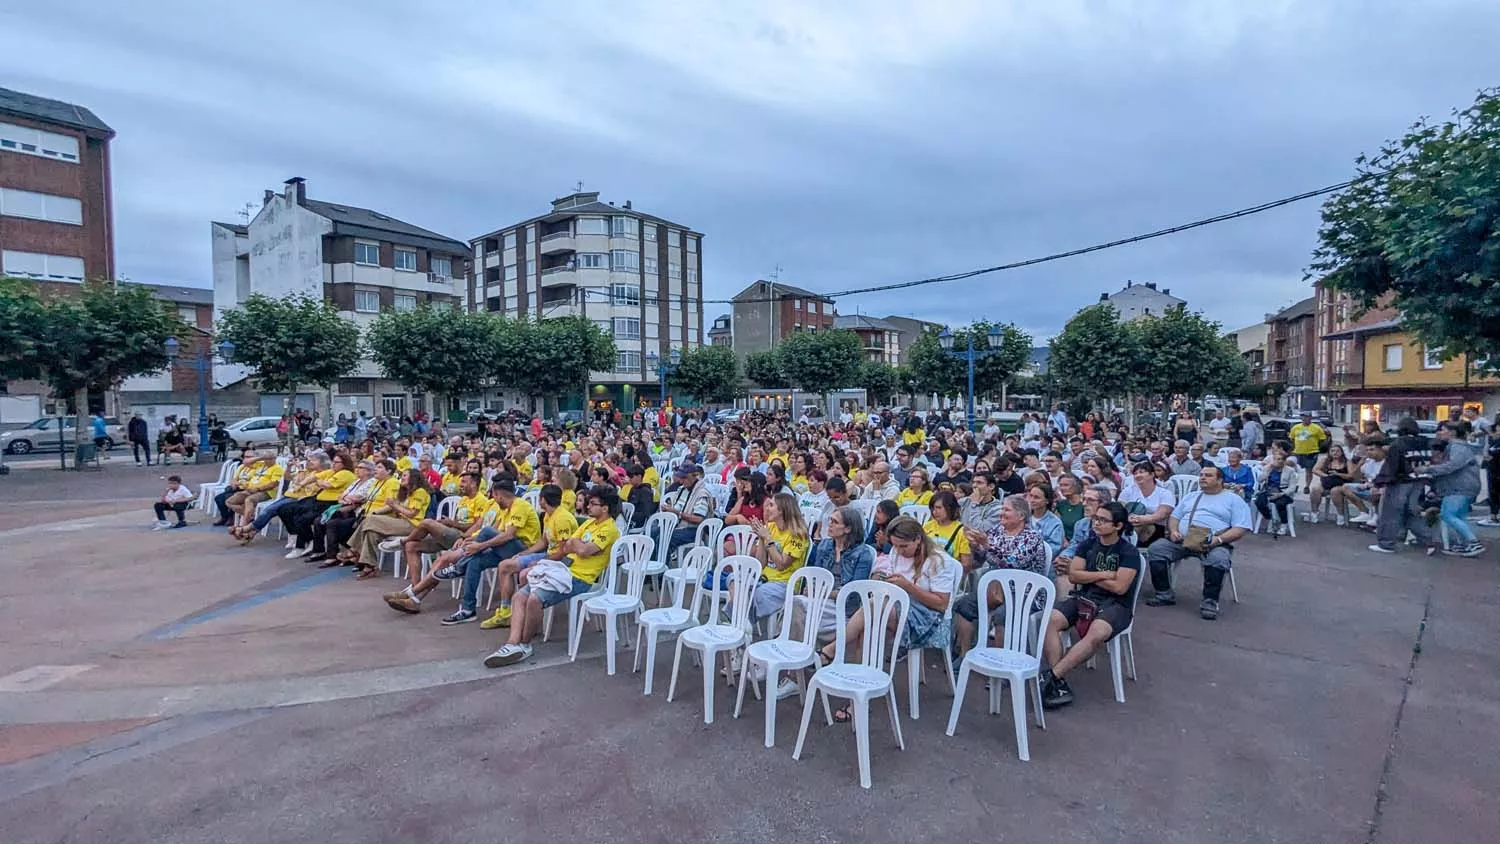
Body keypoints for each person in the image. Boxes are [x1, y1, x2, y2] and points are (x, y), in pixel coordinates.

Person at [817, 515, 955, 723]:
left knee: (874, 608)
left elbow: (941, 604)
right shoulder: (897, 554)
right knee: (869, 625)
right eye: (895, 546)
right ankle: (859, 695)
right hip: (896, 608)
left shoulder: (939, 562)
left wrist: (909, 587)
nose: (899, 551)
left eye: (904, 546)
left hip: (927, 617)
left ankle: (834, 651)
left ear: (918, 539)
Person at [483, 486, 621, 668]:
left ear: (605, 508)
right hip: (562, 569)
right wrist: (577, 546)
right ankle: (511, 644)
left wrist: (577, 545)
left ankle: (524, 644)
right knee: (518, 596)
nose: (588, 506)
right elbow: (566, 547)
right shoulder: (588, 524)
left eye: (593, 504)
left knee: (534, 599)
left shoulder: (609, 529)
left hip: (581, 578)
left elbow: (583, 550)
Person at [384, 477, 537, 622]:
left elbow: (507, 536)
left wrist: (480, 545)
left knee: (436, 530)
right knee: (474, 562)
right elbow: (493, 530)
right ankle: (467, 609)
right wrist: (468, 539)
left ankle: (428, 583)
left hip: (521, 550)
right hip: (492, 545)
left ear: (497, 493)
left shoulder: (519, 506)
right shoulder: (503, 509)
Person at [1039, 501, 1142, 709]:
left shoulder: (1129, 552)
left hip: (1116, 605)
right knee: (1050, 620)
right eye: (1096, 519)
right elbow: (1074, 575)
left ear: (1118, 526)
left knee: (1097, 632)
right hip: (1084, 598)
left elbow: (1120, 588)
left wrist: (1088, 576)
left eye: (1103, 520)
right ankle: (1057, 680)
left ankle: (1053, 676)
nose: (1096, 523)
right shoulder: (1087, 545)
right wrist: (1104, 574)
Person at [1145, 465, 1254, 620]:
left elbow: (1241, 528)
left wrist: (1219, 539)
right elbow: (1175, 516)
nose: (1202, 478)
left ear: (1220, 480)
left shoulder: (1233, 499)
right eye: (1202, 475)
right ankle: (1164, 594)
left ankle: (1209, 602)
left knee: (1218, 559)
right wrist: (1174, 530)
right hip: (1183, 539)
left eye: (1208, 475)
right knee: (1157, 549)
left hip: (1214, 542)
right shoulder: (1192, 496)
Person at [952, 494, 1047, 658]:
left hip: (1025, 592)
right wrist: (975, 546)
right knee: (963, 606)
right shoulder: (997, 531)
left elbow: (1013, 562)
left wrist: (987, 544)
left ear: (1021, 516)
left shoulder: (1031, 537)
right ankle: (965, 656)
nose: (1001, 513)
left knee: (1002, 615)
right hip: (996, 589)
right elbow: (983, 559)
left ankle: (1003, 663)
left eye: (1006, 510)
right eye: (1002, 508)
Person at [479, 484, 580, 629]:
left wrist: (540, 561)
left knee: (525, 574)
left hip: (561, 561)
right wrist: (525, 553)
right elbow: (544, 541)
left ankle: (529, 618)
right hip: (548, 555)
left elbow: (563, 551)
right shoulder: (548, 515)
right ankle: (506, 611)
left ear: (543, 500)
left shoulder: (562, 518)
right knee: (505, 566)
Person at [348, 468, 431, 578]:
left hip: (412, 525)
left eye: (405, 475)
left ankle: (353, 549)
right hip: (401, 522)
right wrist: (394, 506)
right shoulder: (407, 493)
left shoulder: (420, 492)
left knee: (371, 519)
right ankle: (370, 567)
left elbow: (412, 514)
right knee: (371, 532)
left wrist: (394, 505)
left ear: (414, 478)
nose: (402, 478)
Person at [1369, 418, 1436, 555]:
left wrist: (1378, 482)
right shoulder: (1426, 442)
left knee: (1390, 513)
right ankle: (1428, 540)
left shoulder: (1398, 444)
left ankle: (1386, 544)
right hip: (1419, 481)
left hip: (1400, 481)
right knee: (1410, 512)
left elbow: (1391, 466)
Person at [742, 492, 810, 622]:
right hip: (764, 578)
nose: (767, 509)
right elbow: (760, 564)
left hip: (784, 583)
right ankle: (744, 621)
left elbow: (781, 565)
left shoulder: (798, 535)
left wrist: (767, 537)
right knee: (735, 579)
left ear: (782, 510)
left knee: (753, 593)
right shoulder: (771, 527)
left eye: (771, 505)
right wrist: (762, 537)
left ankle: (741, 620)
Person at [1426, 422, 1485, 557]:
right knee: (1458, 516)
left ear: (1452, 432)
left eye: (1443, 430)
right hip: (1461, 487)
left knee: (1448, 515)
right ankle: (1463, 543)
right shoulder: (1457, 447)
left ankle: (1473, 542)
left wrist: (1429, 469)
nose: (1440, 432)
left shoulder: (1458, 447)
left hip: (1459, 487)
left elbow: (1451, 466)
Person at [661, 462, 714, 560]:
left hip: (694, 530)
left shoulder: (702, 494)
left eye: (684, 478)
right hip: (679, 525)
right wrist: (668, 508)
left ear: (693, 477)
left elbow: (698, 519)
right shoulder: (682, 489)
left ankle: (661, 569)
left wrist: (677, 513)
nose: (681, 481)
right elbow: (676, 507)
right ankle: (654, 567)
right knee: (656, 531)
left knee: (665, 536)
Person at [1120, 462, 1175, 546]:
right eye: (1135, 473)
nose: (1137, 475)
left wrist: (1140, 519)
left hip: (1155, 526)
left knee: (1136, 528)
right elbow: (1119, 508)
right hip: (1129, 522)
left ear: (1152, 474)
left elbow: (1161, 515)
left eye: (1141, 472)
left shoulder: (1165, 493)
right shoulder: (1128, 490)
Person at [1337, 436, 1386, 526]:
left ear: (1380, 450)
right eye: (1367, 450)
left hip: (1381, 489)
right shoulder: (1368, 461)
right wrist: (1359, 465)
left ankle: (1376, 514)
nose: (1369, 452)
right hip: (1368, 486)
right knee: (1345, 487)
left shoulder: (1386, 462)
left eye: (1372, 450)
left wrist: (1372, 485)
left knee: (1375, 491)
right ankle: (1364, 512)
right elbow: (1355, 476)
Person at [923, 490, 972, 571]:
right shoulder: (927, 526)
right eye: (933, 508)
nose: (935, 512)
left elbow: (966, 564)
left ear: (950, 508)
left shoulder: (962, 531)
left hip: (949, 572)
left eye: (939, 508)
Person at [1307, 443, 1356, 524]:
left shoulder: (1347, 462)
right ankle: (1314, 512)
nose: (1335, 453)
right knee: (1315, 489)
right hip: (1326, 482)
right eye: (1332, 451)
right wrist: (1326, 475)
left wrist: (1337, 474)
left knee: (1335, 491)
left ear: (1341, 452)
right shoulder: (1324, 460)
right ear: (1329, 452)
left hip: (1341, 483)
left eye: (1337, 451)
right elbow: (1315, 470)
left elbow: (1350, 476)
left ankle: (1340, 515)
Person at [1253, 451, 1299, 535]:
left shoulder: (1290, 471)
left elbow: (1292, 487)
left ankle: (1283, 524)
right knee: (1259, 501)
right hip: (1269, 490)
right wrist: (1267, 472)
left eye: (1281, 459)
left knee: (1280, 503)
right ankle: (1270, 518)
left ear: (1284, 461)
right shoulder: (1268, 468)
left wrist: (1281, 494)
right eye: (1276, 459)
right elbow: (1259, 480)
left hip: (1283, 492)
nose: (1279, 461)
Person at [1289, 412, 1328, 494]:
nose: (1305, 418)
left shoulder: (1316, 428)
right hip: (1298, 452)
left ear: (1310, 418)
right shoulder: (1296, 427)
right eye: (1303, 417)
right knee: (1294, 470)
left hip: (1311, 452)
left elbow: (1323, 439)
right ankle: (1294, 485)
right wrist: (1293, 448)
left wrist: (1318, 448)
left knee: (1309, 470)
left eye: (1306, 417)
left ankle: (1307, 486)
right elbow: (1291, 438)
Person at [1026, 481, 1064, 559]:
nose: (1032, 500)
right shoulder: (1023, 517)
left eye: (1036, 497)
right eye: (1031, 496)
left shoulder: (1055, 523)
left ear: (1047, 501)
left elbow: (1054, 549)